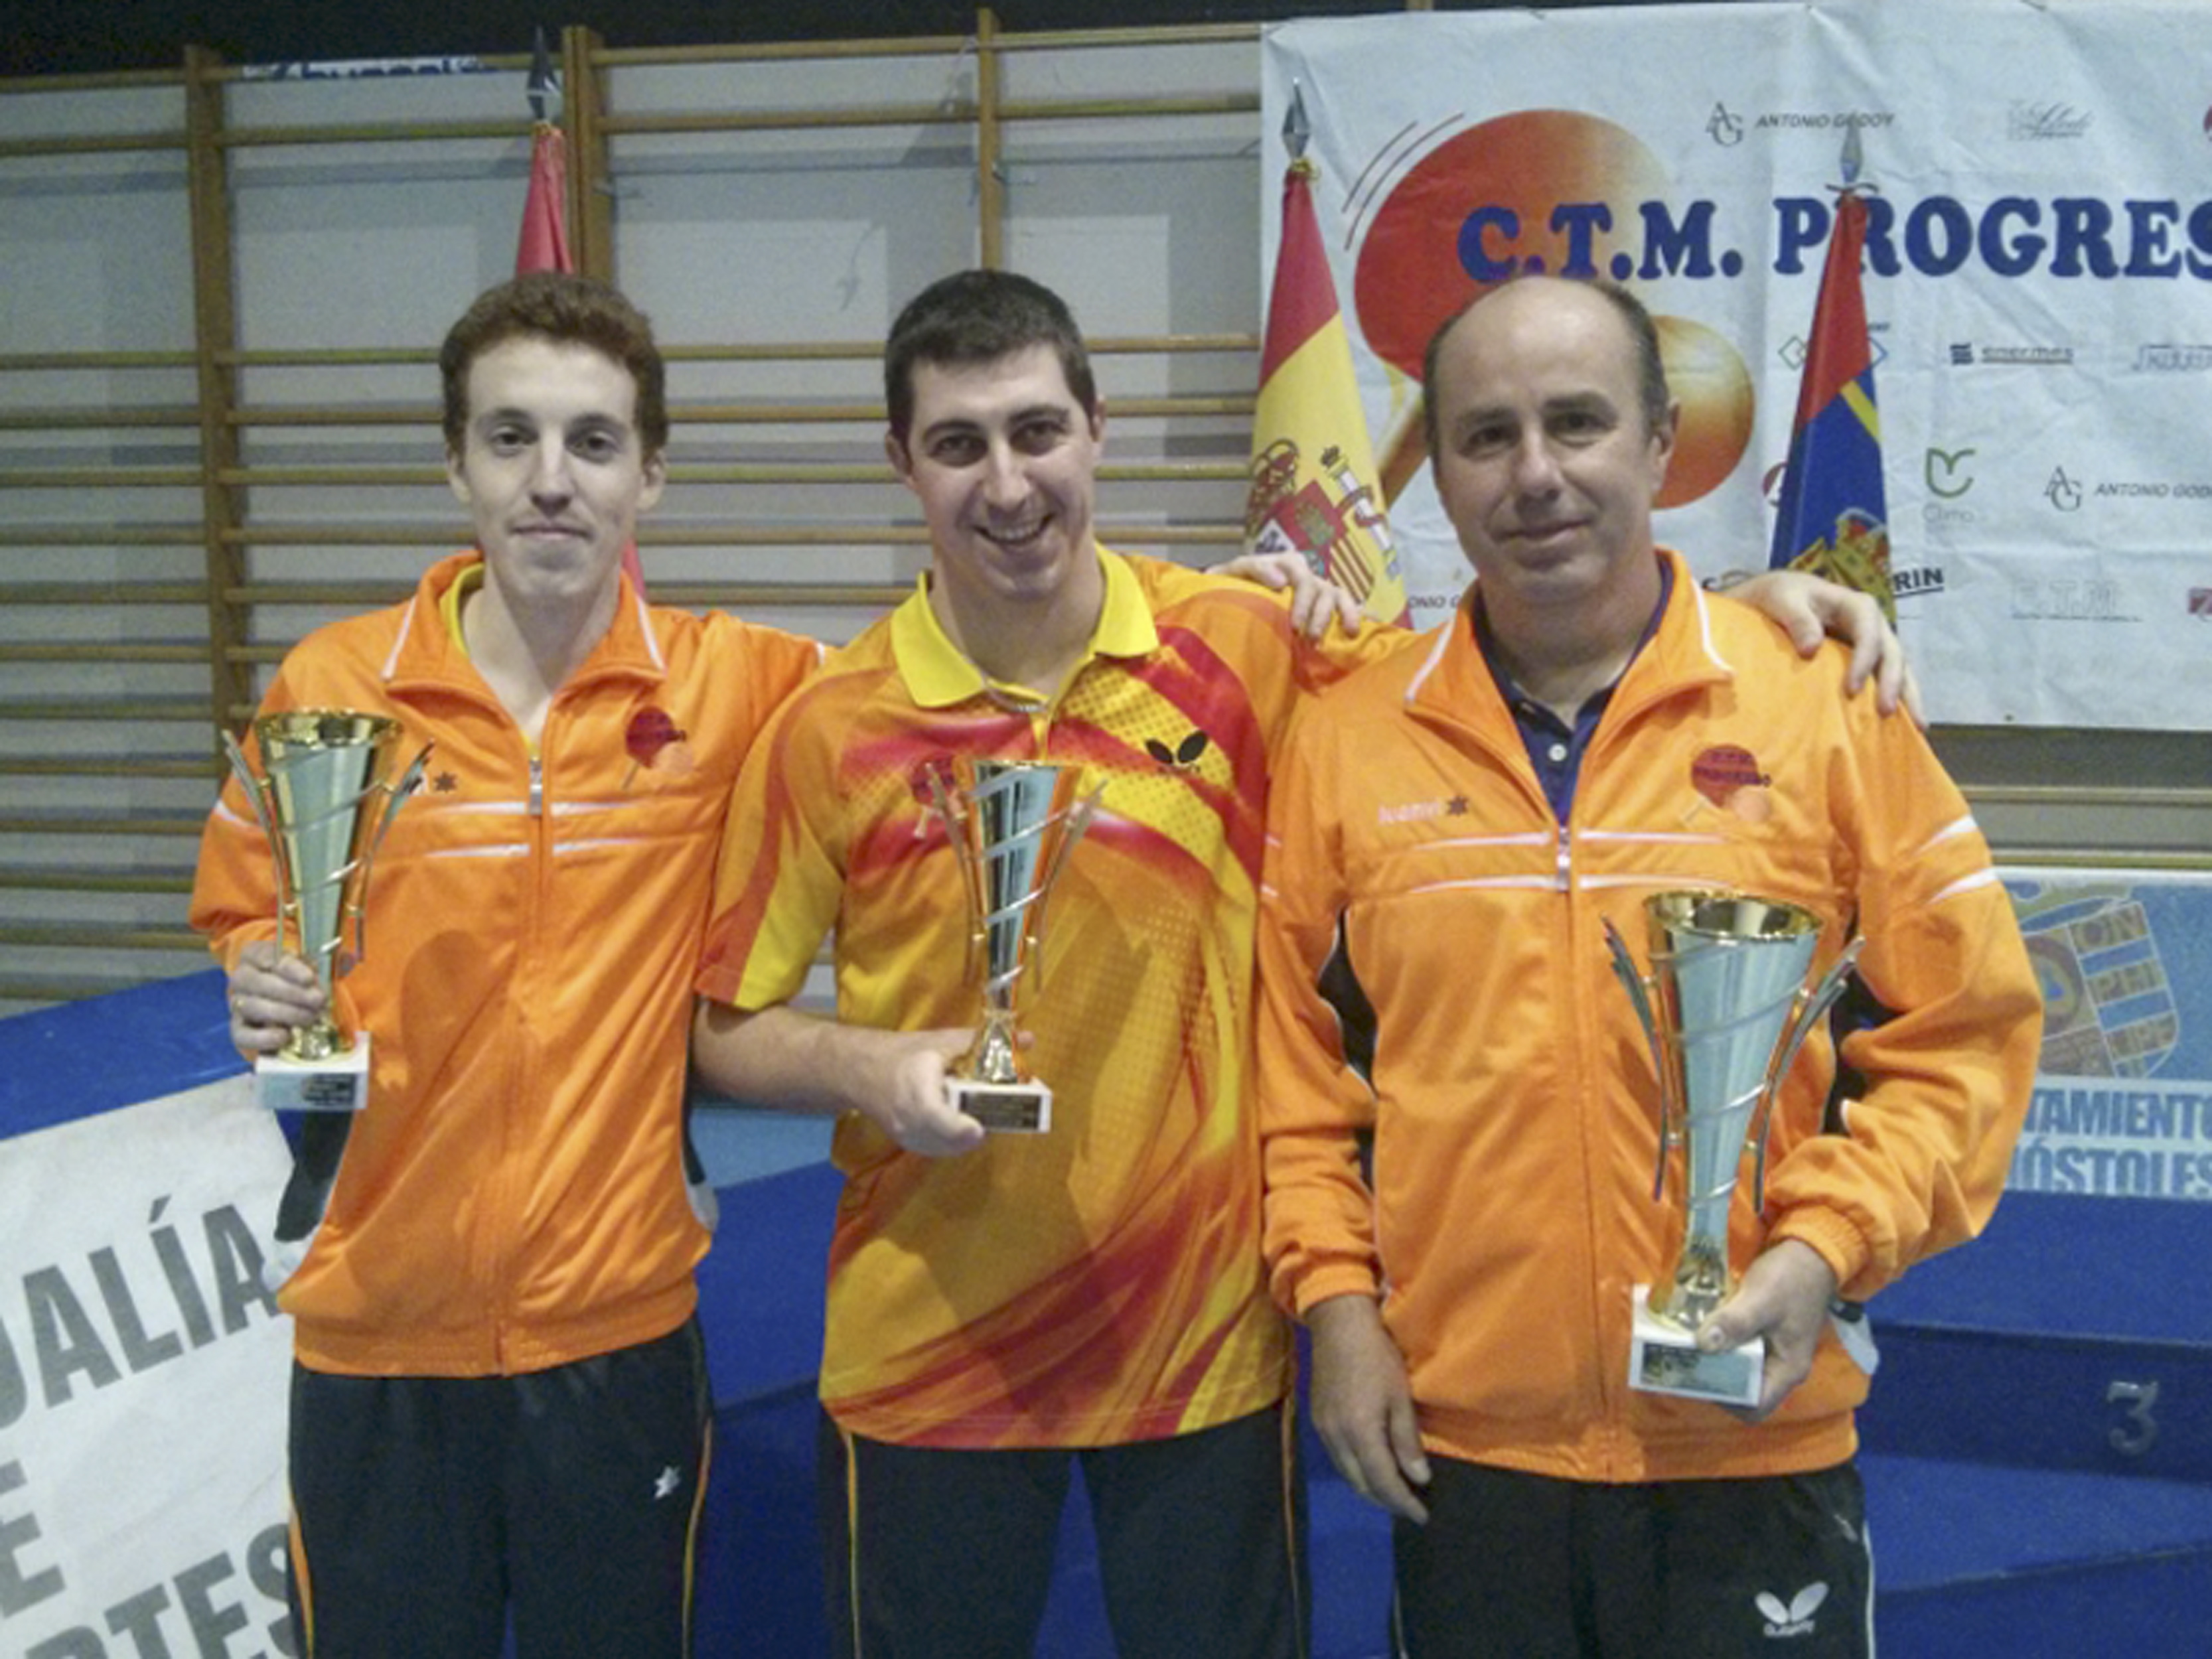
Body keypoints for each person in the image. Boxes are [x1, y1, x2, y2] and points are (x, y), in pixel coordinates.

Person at [686, 268, 1913, 1659]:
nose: (1008, 483)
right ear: (900, 460)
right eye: (958, 444)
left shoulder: (1244, 645)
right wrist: (862, 1064)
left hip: (1204, 1350)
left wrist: (1739, 618)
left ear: (1095, 429)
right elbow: (724, 1029)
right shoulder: (831, 724)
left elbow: (1523, 655)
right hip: (928, 1347)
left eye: (1036, 431)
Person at [1255, 274, 2043, 1658]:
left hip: (1753, 1434)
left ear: (1660, 440)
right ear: (1438, 468)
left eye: (1576, 422)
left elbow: (1964, 1034)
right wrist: (1336, 1308)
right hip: (1468, 1451)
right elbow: (1295, 1084)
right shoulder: (1347, 738)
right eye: (1485, 435)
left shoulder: (1820, 704)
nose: (1534, 474)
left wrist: (1824, 1247)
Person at [190, 272, 826, 1656]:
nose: (551, 480)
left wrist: (1227, 605)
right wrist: (259, 971)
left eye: (592, 442)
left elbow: (948, 679)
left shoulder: (732, 685)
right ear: (455, 463)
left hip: (617, 1334)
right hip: (375, 1336)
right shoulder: (332, 687)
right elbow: (245, 901)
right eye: (510, 436)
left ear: (649, 476)